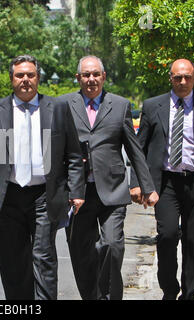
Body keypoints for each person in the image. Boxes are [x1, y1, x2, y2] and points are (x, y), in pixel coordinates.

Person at [0, 54, 85, 300]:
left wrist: (76, 191)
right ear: (11, 78)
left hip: (44, 196)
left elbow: (74, 154)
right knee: (12, 261)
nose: (25, 80)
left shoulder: (57, 109)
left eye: (30, 75)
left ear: (38, 78)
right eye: (20, 75)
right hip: (7, 196)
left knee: (43, 256)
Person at [59, 55, 159, 300]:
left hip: (112, 191)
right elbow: (53, 147)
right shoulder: (62, 104)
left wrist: (146, 186)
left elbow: (134, 149)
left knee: (112, 245)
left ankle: (108, 296)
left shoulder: (120, 104)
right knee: (82, 252)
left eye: (96, 74)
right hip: (76, 192)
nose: (91, 79)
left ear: (103, 76)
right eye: (86, 75)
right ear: (78, 78)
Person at [130, 59, 194, 300]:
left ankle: (189, 293)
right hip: (165, 184)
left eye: (187, 77)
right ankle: (169, 289)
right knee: (166, 236)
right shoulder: (154, 106)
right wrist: (136, 182)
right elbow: (138, 148)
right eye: (178, 77)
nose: (183, 82)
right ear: (170, 78)